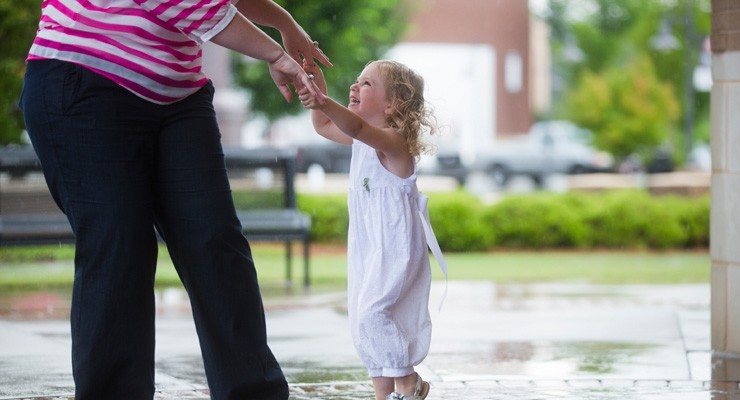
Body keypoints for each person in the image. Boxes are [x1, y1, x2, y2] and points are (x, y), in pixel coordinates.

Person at [18, 0, 330, 399]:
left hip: (177, 96)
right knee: (120, 250)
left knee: (216, 245)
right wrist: (273, 51)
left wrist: (283, 21)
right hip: (86, 78)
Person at [298, 60, 446, 400]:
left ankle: (408, 381)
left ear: (391, 104)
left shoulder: (394, 142)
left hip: (394, 245)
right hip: (367, 244)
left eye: (366, 84)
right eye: (356, 80)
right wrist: (313, 81)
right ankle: (382, 393)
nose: (354, 87)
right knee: (361, 316)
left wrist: (323, 99)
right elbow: (322, 125)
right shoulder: (360, 142)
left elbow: (358, 129)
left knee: (373, 314)